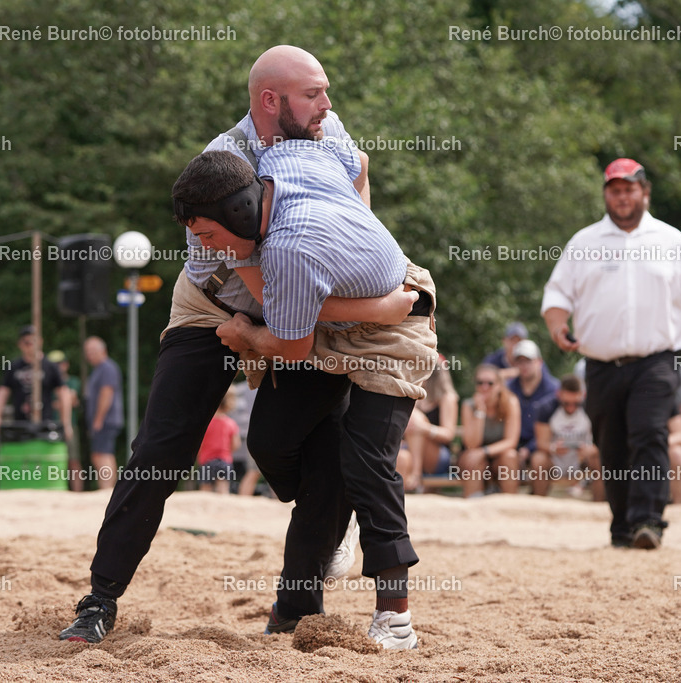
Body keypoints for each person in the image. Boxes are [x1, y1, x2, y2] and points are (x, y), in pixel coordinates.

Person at [59, 46, 415, 647]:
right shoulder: (217, 169)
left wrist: (353, 244)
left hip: (295, 297)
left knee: (304, 447)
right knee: (161, 448)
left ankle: (295, 608)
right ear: (271, 102)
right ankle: (100, 600)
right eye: (314, 94)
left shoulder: (323, 130)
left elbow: (357, 166)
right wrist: (366, 306)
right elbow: (248, 276)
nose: (327, 104)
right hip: (217, 304)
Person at [177, 143, 437, 649]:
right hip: (339, 319)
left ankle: (394, 615)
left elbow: (291, 344)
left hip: (392, 334)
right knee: (270, 440)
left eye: (209, 235)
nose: (207, 248)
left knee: (365, 465)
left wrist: (245, 336)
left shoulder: (289, 251)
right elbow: (358, 160)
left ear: (241, 210)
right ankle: (325, 543)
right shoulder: (285, 159)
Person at [542, 158, 681, 549]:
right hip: (601, 365)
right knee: (611, 444)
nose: (622, 197)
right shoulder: (584, 242)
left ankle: (649, 521)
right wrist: (558, 327)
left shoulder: (673, 241)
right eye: (615, 190)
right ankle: (623, 525)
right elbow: (556, 296)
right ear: (606, 194)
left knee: (649, 433)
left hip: (655, 362)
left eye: (630, 189)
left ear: (644, 192)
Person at [0, 326, 75, 479]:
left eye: (32, 341)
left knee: (44, 463)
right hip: (20, 423)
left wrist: (66, 423)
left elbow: (63, 394)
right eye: (26, 342)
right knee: (23, 462)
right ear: (20, 344)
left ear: (40, 342)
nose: (29, 345)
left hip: (45, 423)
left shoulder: (50, 366)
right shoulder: (14, 367)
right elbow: (2, 392)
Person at [531, 375, 603, 500]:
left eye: (576, 403)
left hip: (582, 460)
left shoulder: (592, 407)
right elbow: (541, 443)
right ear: (559, 394)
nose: (571, 407)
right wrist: (553, 448)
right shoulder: (546, 408)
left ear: (583, 395)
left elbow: (602, 441)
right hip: (556, 459)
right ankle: (539, 502)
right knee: (538, 460)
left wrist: (590, 449)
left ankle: (599, 505)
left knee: (599, 459)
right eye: (566, 403)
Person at [458, 364, 521, 496]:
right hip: (475, 458)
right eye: (480, 383)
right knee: (473, 459)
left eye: (490, 383)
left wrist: (484, 452)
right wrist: (480, 412)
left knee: (509, 456)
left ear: (499, 385)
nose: (484, 387)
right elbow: (472, 444)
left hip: (499, 456)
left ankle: (510, 505)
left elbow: (511, 441)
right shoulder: (468, 405)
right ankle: (473, 508)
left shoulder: (510, 403)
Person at [398, 357, 458, 491]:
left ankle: (416, 474)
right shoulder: (412, 394)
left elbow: (448, 434)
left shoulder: (447, 398)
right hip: (410, 449)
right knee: (402, 458)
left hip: (437, 455)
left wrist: (424, 429)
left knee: (416, 419)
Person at [506, 339, 560, 470]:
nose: (524, 365)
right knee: (507, 458)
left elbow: (556, 427)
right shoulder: (507, 389)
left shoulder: (555, 390)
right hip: (513, 444)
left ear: (539, 362)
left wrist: (529, 449)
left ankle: (538, 492)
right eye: (519, 361)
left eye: (528, 361)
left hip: (543, 444)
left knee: (539, 461)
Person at [83, 337, 124, 490]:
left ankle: (107, 488)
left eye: (92, 351)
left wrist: (98, 419)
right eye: (87, 352)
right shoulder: (100, 369)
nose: (89, 355)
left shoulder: (107, 368)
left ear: (103, 351)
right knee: (99, 453)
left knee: (103, 453)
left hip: (106, 420)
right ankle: (106, 487)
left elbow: (106, 393)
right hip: (103, 420)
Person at [48, 350, 85, 491]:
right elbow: (68, 400)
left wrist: (59, 403)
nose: (58, 367)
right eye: (54, 364)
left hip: (70, 426)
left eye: (60, 363)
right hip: (51, 427)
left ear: (66, 365)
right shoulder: (47, 383)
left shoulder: (73, 381)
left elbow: (71, 400)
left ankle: (78, 493)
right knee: (54, 460)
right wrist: (65, 402)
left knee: (73, 461)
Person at [196, 388, 240, 494]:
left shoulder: (205, 423)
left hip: (206, 460)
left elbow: (199, 444)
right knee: (223, 489)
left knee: (205, 489)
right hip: (224, 460)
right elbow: (236, 444)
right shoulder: (231, 423)